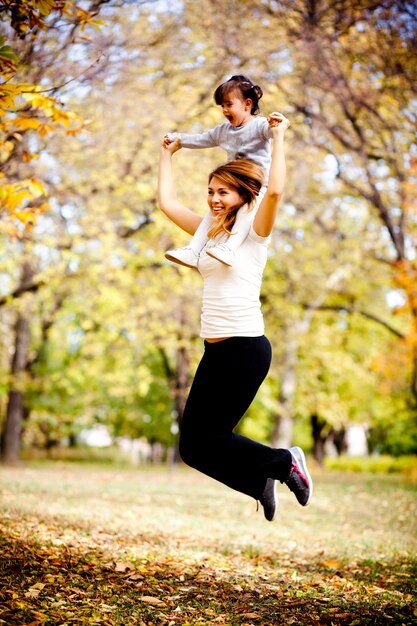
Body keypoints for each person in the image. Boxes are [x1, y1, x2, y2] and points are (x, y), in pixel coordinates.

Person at [157, 111, 313, 522]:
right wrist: (168, 156)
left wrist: (279, 139)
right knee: (193, 448)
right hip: (215, 351)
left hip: (245, 349)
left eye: (224, 192)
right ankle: (259, 482)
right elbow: (167, 203)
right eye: (211, 191)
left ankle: (284, 462)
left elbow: (275, 192)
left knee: (212, 437)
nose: (213, 199)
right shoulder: (208, 234)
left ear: (244, 195)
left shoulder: (256, 232)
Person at [164, 74, 277, 268]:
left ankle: (229, 249)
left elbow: (272, 130)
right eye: (222, 106)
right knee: (214, 212)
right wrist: (179, 140)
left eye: (228, 105)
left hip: (255, 185)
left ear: (247, 104)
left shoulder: (258, 126)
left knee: (247, 209)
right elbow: (201, 139)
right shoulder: (223, 131)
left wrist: (277, 123)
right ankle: (193, 250)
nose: (224, 110)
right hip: (233, 184)